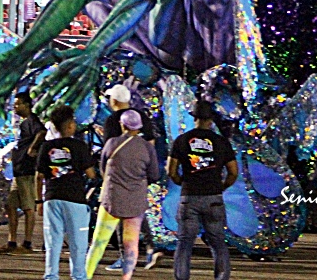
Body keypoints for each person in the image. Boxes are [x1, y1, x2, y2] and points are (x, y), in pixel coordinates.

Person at [86, 109, 159, 280]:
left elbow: (103, 169)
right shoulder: (147, 147)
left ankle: (84, 276)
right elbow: (155, 175)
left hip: (111, 200)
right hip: (135, 202)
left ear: (122, 125)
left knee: (98, 244)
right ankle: (126, 277)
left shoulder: (111, 143)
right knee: (130, 246)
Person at [168, 101, 238, 280]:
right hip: (213, 197)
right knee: (218, 242)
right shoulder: (221, 142)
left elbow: (172, 171)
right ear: (211, 120)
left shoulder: (182, 140)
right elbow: (233, 172)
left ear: (195, 118)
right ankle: (221, 277)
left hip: (189, 196)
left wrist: (181, 182)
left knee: (184, 243)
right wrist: (221, 186)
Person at [100, 84, 158, 271]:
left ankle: (125, 257)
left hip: (119, 176)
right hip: (140, 173)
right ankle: (150, 247)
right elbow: (151, 144)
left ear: (114, 101)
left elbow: (108, 151)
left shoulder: (112, 121)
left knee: (118, 214)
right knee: (138, 210)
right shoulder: (142, 117)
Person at [36, 105, 96, 280]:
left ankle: (51, 275)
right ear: (70, 125)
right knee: (78, 243)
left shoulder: (46, 146)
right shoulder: (79, 146)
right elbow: (90, 173)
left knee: (53, 242)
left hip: (52, 198)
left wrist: (38, 201)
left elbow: (39, 177)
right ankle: (78, 276)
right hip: (75, 199)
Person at [0, 92, 46, 255]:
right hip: (19, 171)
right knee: (11, 205)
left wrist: (32, 148)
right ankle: (12, 241)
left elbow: (42, 132)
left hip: (27, 171)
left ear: (27, 105)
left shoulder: (32, 121)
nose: (15, 107)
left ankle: (27, 243)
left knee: (28, 207)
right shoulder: (24, 123)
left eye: (18, 104)